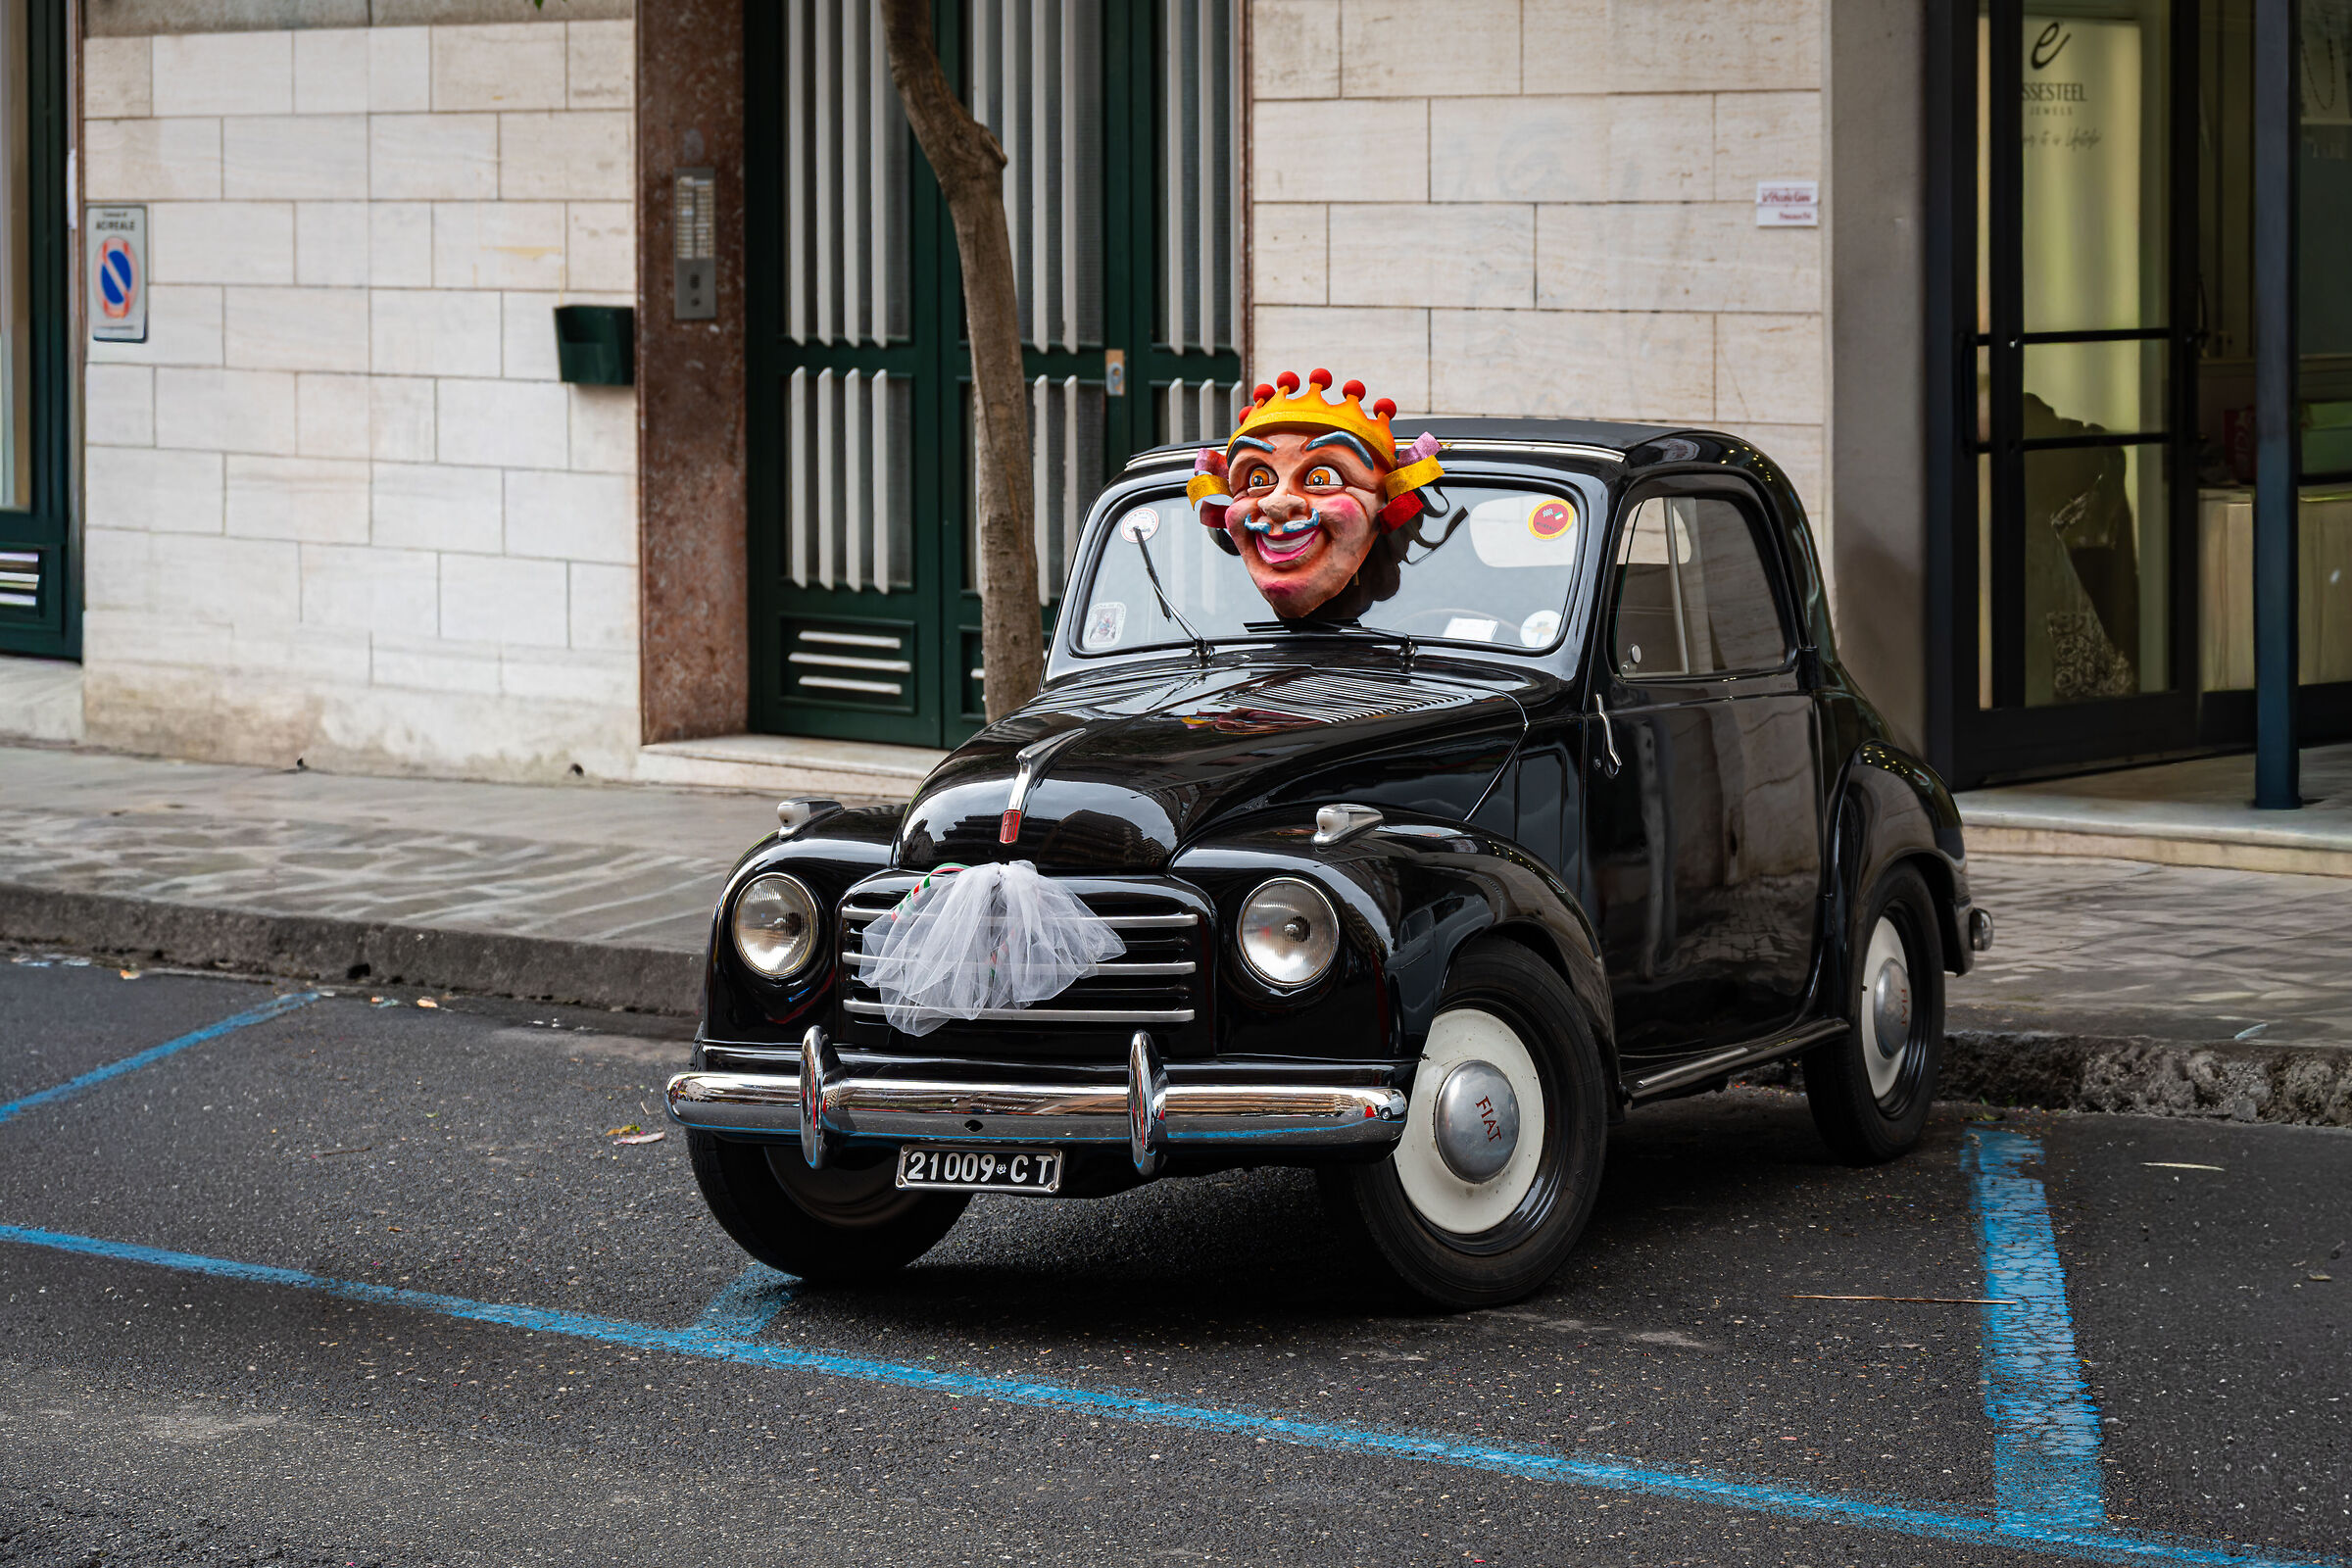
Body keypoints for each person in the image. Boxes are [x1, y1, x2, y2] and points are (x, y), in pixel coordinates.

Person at [1185, 368, 1446, 620]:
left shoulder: (1436, 612)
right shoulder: (1206, 619)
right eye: (1259, 479)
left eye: (1320, 479)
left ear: (1384, 505)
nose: (1276, 503)